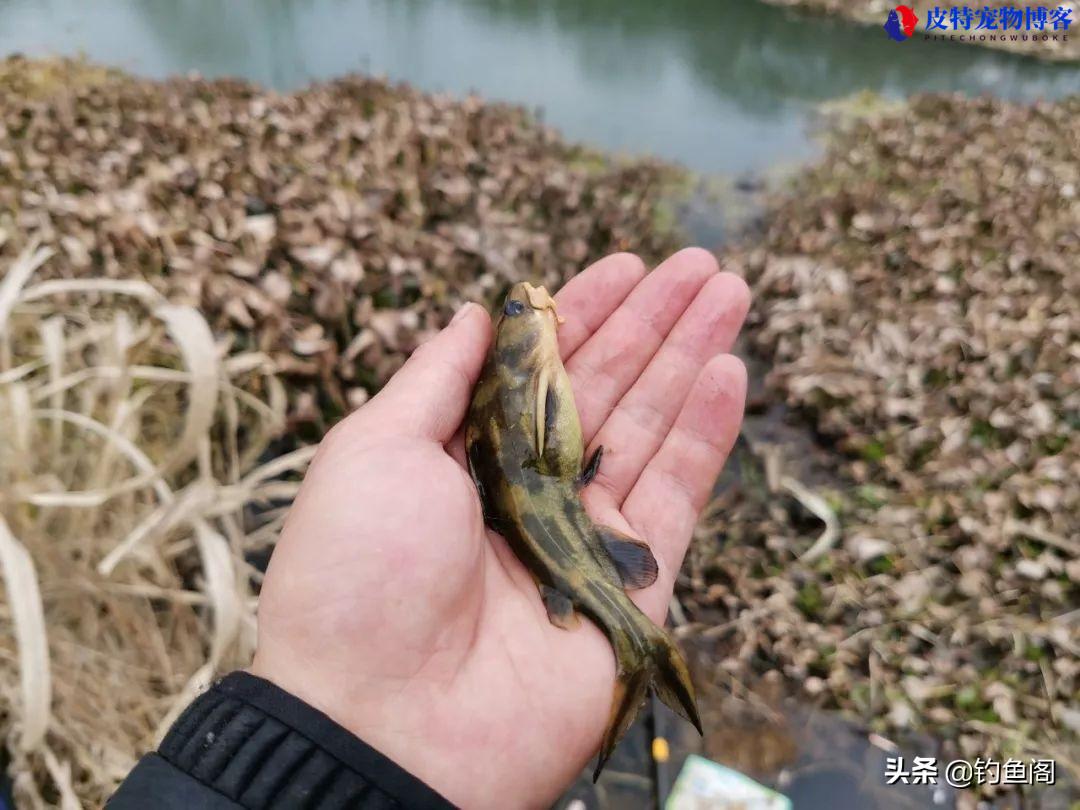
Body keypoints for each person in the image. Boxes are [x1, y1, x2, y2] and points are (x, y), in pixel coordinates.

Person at [108, 249, 750, 809]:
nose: (526, 308)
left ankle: (640, 649)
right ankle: (640, 646)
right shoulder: (528, 379)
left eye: (517, 315)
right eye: (517, 317)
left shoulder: (525, 377)